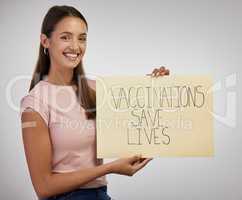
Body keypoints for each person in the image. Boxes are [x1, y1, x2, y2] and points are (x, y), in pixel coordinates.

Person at [20, 5, 170, 200]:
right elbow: (44, 187)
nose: (76, 46)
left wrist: (159, 85)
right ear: (45, 41)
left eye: (82, 38)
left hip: (101, 195)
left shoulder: (97, 89)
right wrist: (109, 168)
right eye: (66, 37)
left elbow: (138, 112)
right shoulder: (35, 104)